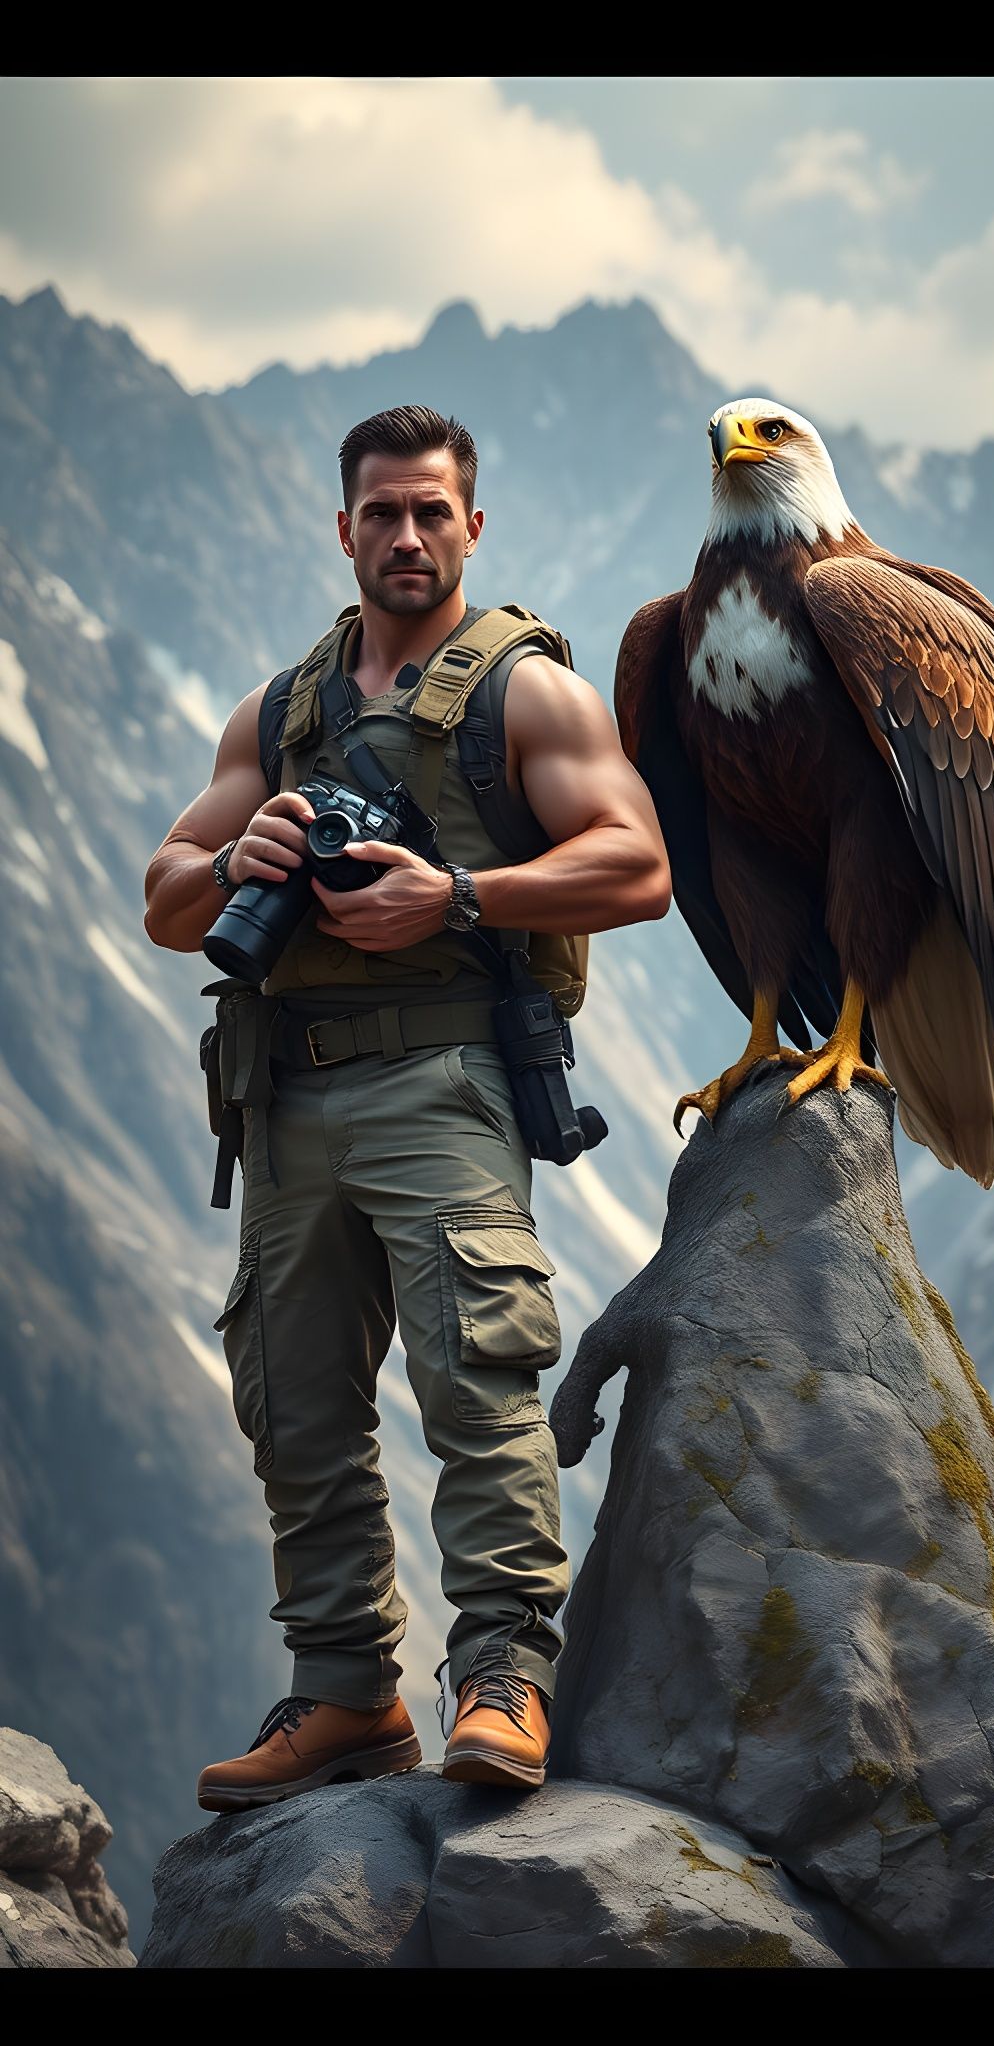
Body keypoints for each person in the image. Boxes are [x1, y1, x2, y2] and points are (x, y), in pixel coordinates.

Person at [144, 404, 671, 1807]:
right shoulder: (284, 711)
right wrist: (233, 856)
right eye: (382, 512)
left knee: (475, 1376)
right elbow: (164, 899)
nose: (408, 535)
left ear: (473, 527)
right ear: (345, 529)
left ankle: (502, 1674)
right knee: (295, 1403)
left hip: (444, 1077)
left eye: (434, 511)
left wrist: (461, 895)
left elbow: (637, 864)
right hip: (288, 1097)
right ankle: (345, 1696)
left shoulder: (526, 695)